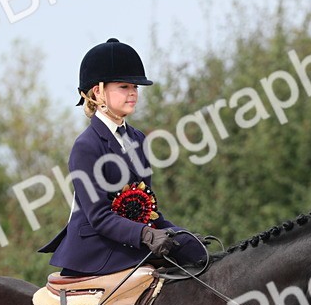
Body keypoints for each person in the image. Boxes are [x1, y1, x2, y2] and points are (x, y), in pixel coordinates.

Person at [39, 38, 200, 277]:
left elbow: (147, 208)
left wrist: (178, 233)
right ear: (98, 92)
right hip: (97, 248)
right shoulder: (86, 146)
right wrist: (145, 235)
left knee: (196, 255)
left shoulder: (138, 139)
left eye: (135, 88)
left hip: (130, 241)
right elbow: (100, 217)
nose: (133, 93)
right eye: (124, 87)